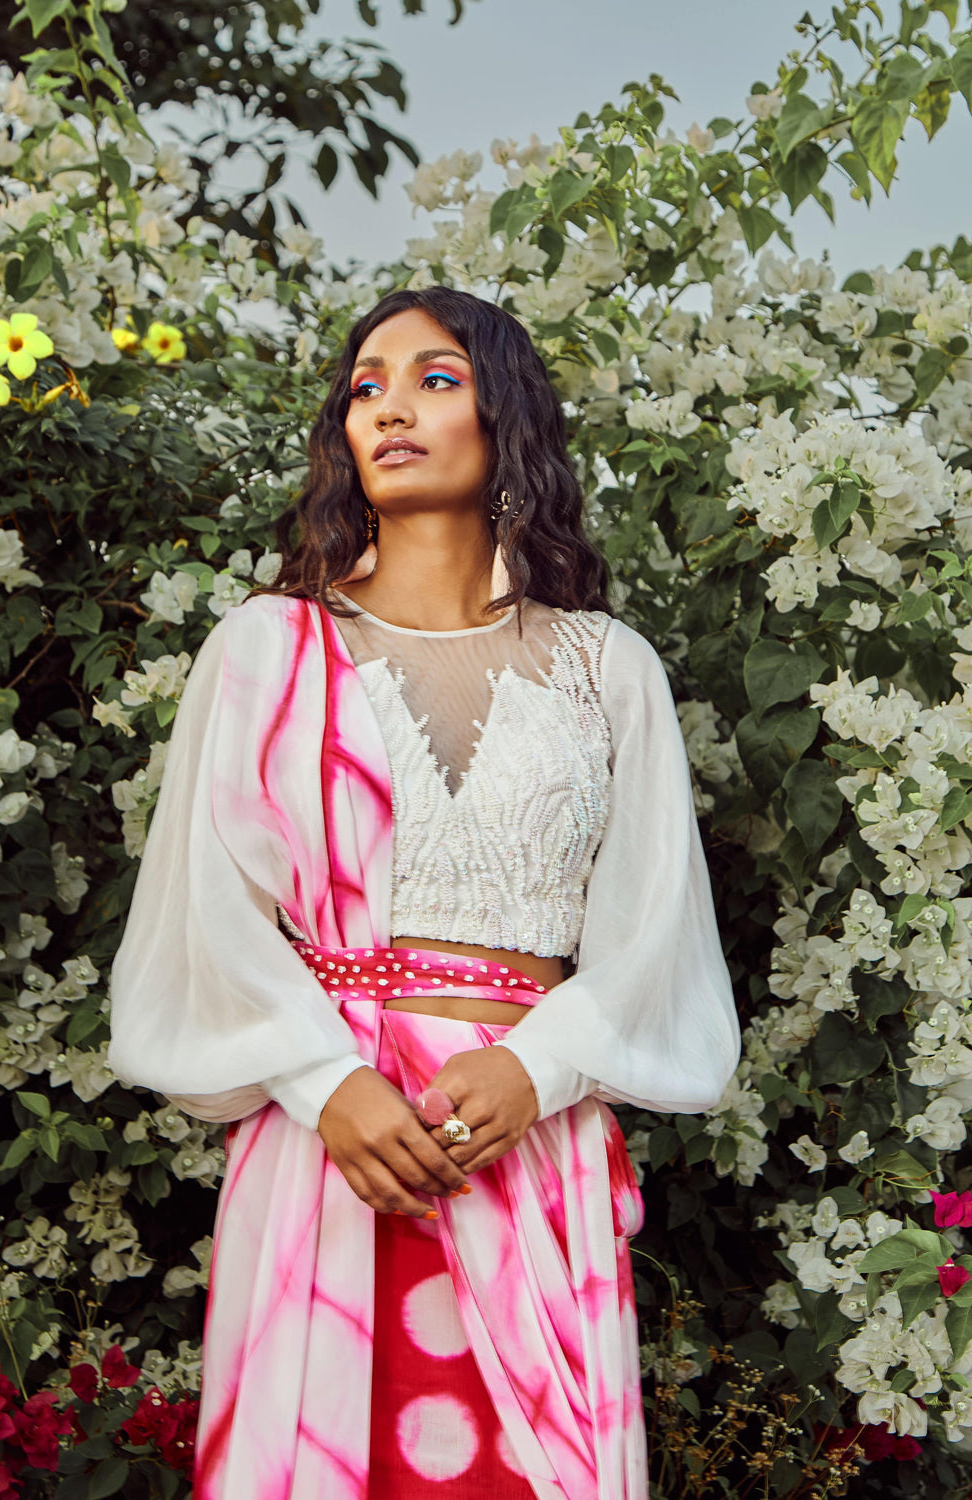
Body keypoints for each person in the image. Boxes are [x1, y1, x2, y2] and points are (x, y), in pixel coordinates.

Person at [108, 285, 740, 1499]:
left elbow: (656, 936)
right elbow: (199, 914)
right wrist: (323, 1083)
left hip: (529, 1145)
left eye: (435, 378)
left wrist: (536, 1069)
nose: (390, 406)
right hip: (330, 1147)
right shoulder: (266, 649)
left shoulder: (609, 671)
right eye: (365, 387)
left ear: (506, 419)